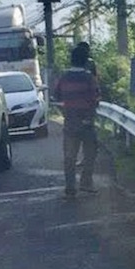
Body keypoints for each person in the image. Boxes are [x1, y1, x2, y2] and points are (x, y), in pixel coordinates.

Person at [54, 43, 100, 198]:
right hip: (87, 122)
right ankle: (86, 182)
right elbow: (95, 99)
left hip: (70, 122)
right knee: (90, 153)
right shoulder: (89, 78)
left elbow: (57, 96)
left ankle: (70, 188)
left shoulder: (64, 77)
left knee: (69, 156)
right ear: (85, 60)